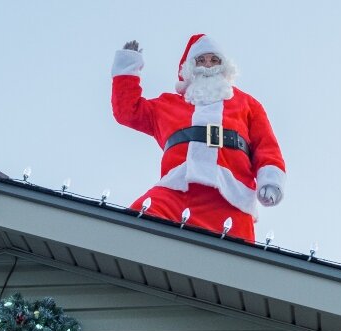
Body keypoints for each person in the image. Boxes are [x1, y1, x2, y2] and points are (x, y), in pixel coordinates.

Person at [111, 34, 286, 242]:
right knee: (133, 228)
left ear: (224, 66)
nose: (208, 65)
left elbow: (266, 146)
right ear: (189, 68)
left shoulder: (247, 104)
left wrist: (271, 181)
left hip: (231, 196)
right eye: (201, 61)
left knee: (240, 260)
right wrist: (128, 69)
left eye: (214, 60)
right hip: (177, 191)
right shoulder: (168, 105)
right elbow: (128, 111)